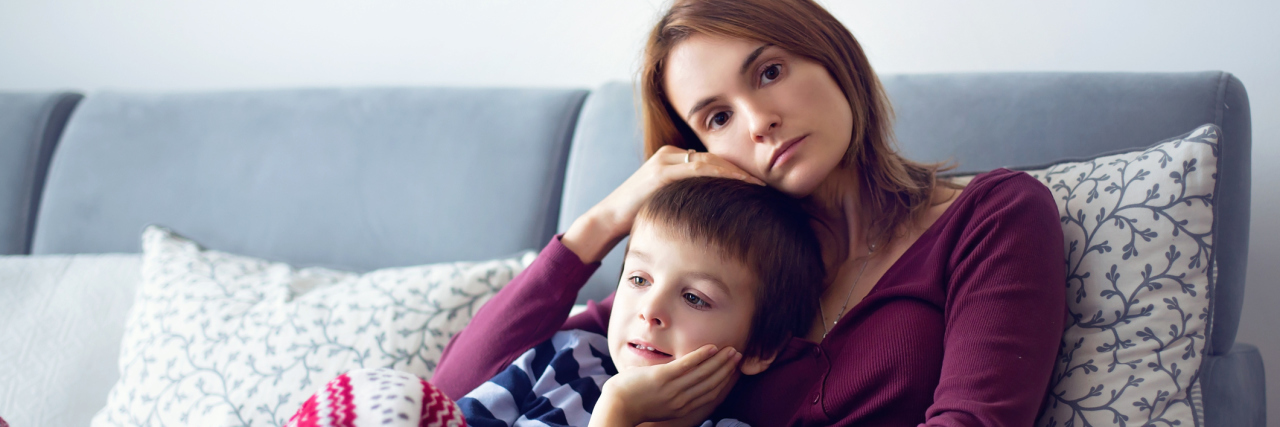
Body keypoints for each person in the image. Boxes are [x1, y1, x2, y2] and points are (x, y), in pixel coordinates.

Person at [433, 0, 1067, 425]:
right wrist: (604, 220)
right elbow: (457, 389)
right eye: (717, 117)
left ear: (829, 54)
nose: (759, 121)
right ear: (699, 151)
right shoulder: (706, 277)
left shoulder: (990, 217)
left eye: (768, 71)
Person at [286, 177, 825, 427]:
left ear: (760, 346)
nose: (650, 310)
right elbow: (451, 405)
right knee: (387, 393)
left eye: (693, 297)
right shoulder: (566, 358)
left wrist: (619, 413)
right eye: (637, 280)